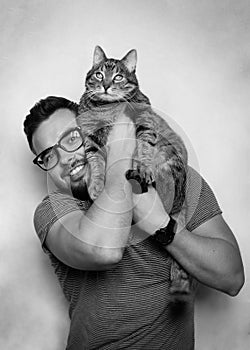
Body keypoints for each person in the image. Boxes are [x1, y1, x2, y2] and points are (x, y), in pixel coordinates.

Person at [23, 96, 244, 350]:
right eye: (48, 156)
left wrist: (163, 226)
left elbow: (232, 278)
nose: (64, 159)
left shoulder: (176, 180)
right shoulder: (54, 209)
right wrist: (120, 153)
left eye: (72, 139)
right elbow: (103, 250)